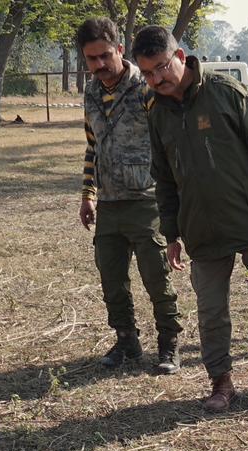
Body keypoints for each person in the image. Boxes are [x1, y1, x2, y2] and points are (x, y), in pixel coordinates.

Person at [134, 26, 248, 415]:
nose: (156, 79)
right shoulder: (156, 112)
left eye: (161, 68)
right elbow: (162, 176)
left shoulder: (225, 93)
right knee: (212, 313)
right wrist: (172, 232)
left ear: (180, 58)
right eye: (147, 73)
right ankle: (222, 383)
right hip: (202, 231)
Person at [75, 17, 181, 374]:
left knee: (157, 279)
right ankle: (127, 341)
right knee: (112, 279)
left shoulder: (147, 87)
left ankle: (169, 344)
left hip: (145, 199)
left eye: (105, 55)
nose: (99, 65)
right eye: (91, 59)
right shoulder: (90, 92)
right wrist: (88, 192)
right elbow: (94, 146)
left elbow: (169, 143)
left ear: (119, 49)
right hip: (108, 203)